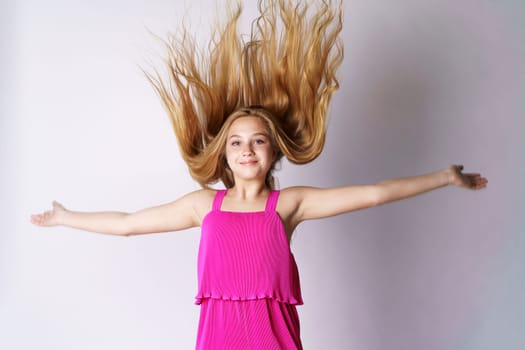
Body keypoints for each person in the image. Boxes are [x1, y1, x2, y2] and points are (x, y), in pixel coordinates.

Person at [30, 1, 487, 349]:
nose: (247, 149)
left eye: (257, 140)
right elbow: (128, 224)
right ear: (224, 156)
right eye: (236, 142)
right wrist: (67, 216)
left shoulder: (288, 205)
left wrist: (443, 177)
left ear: (273, 151)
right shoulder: (201, 205)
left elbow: (372, 193)